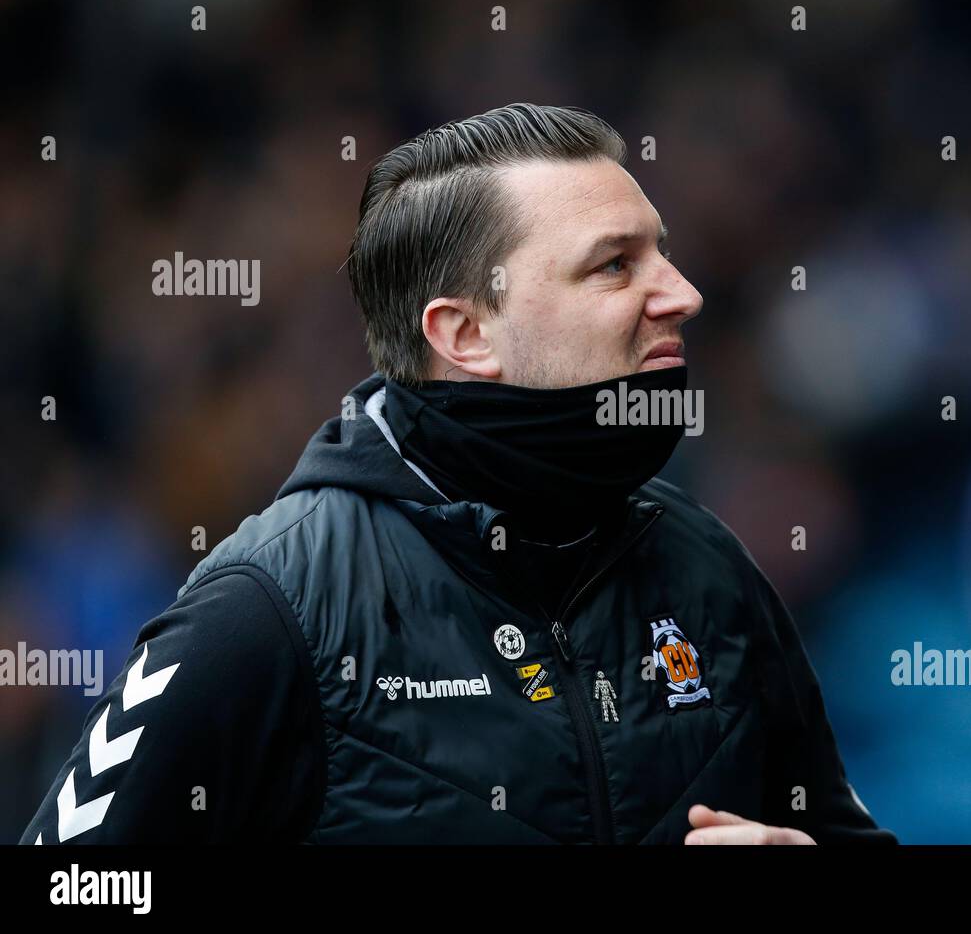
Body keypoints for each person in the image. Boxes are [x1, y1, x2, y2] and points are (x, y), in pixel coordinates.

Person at [20, 104, 895, 845]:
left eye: (660, 252)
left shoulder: (711, 569)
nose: (682, 293)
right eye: (615, 264)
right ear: (465, 334)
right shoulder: (267, 608)